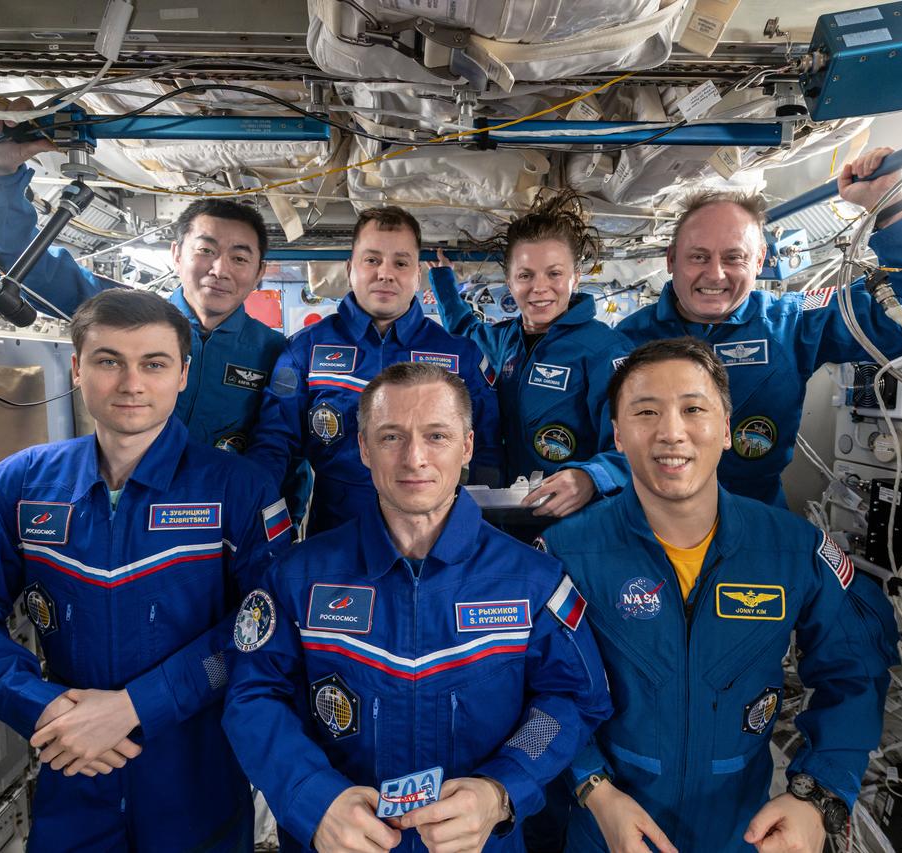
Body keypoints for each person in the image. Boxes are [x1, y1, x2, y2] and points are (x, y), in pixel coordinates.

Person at [0, 290, 292, 851]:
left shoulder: (239, 489)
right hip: (72, 761)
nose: (131, 383)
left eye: (154, 363)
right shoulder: (23, 483)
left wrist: (137, 706)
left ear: (184, 374)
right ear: (77, 367)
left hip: (197, 773)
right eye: (108, 360)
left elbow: (269, 629)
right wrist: (39, 704)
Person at [223, 362, 611, 852]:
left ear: (467, 446)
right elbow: (252, 696)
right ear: (364, 448)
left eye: (437, 436)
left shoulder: (531, 579)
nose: (414, 459)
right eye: (391, 437)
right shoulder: (297, 576)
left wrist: (502, 789)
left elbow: (573, 698)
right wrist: (312, 797)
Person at [543, 338, 897, 853]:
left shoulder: (792, 549)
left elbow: (855, 670)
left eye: (694, 409)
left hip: (744, 830)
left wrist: (818, 795)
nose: (671, 432)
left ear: (726, 429)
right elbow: (540, 688)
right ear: (617, 435)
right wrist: (594, 789)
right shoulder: (564, 553)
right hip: (607, 826)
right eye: (646, 412)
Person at [614, 147, 902, 507]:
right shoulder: (625, 341)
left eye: (733, 257)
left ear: (759, 262)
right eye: (698, 256)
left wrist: (889, 206)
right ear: (671, 260)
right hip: (647, 520)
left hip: (755, 522)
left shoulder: (792, 322)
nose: (715, 274)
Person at [0, 96, 285, 453]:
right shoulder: (117, 314)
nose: (219, 269)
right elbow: (18, 256)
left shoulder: (276, 353)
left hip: (229, 502)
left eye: (239, 258)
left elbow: (286, 449)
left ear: (259, 273)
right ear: (177, 255)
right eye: (205, 250)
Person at [246, 206, 501, 534]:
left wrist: (477, 532)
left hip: (435, 535)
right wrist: (257, 513)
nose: (386, 273)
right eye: (372, 260)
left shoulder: (459, 355)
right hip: (336, 532)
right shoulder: (305, 350)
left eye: (401, 262)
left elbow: (489, 453)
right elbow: (273, 443)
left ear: (417, 274)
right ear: (350, 268)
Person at [427, 189, 632, 518]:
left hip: (580, 522)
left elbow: (639, 446)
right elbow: (464, 330)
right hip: (511, 517)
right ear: (509, 283)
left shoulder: (606, 351)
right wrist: (443, 281)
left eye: (554, 273)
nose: (539, 288)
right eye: (525, 276)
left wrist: (590, 477)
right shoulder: (504, 340)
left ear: (575, 278)